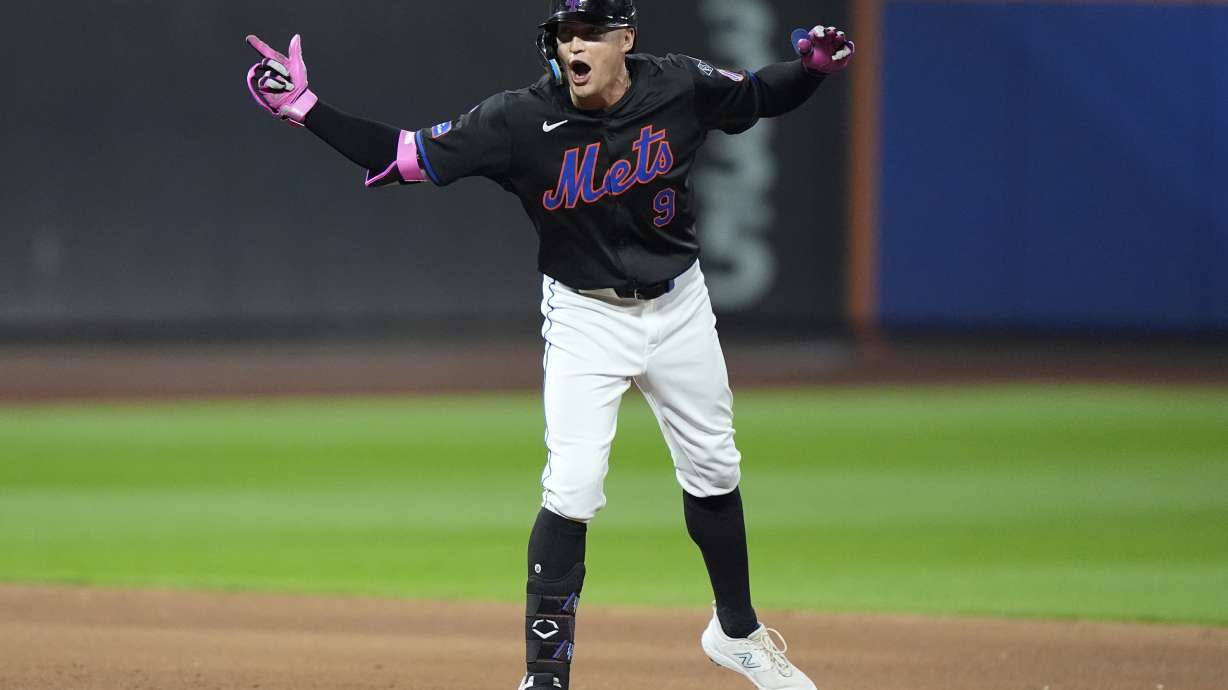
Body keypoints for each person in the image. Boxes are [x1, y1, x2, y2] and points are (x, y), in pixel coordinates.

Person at [245, 2, 853, 688]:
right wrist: (305, 108)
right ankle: (546, 677)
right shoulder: (517, 119)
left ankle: (736, 633)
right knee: (572, 488)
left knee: (715, 469)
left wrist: (810, 71)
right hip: (585, 317)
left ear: (625, 39)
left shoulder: (677, 84)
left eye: (591, 32)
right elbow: (401, 155)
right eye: (565, 34)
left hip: (680, 305)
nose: (574, 46)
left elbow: (758, 94)